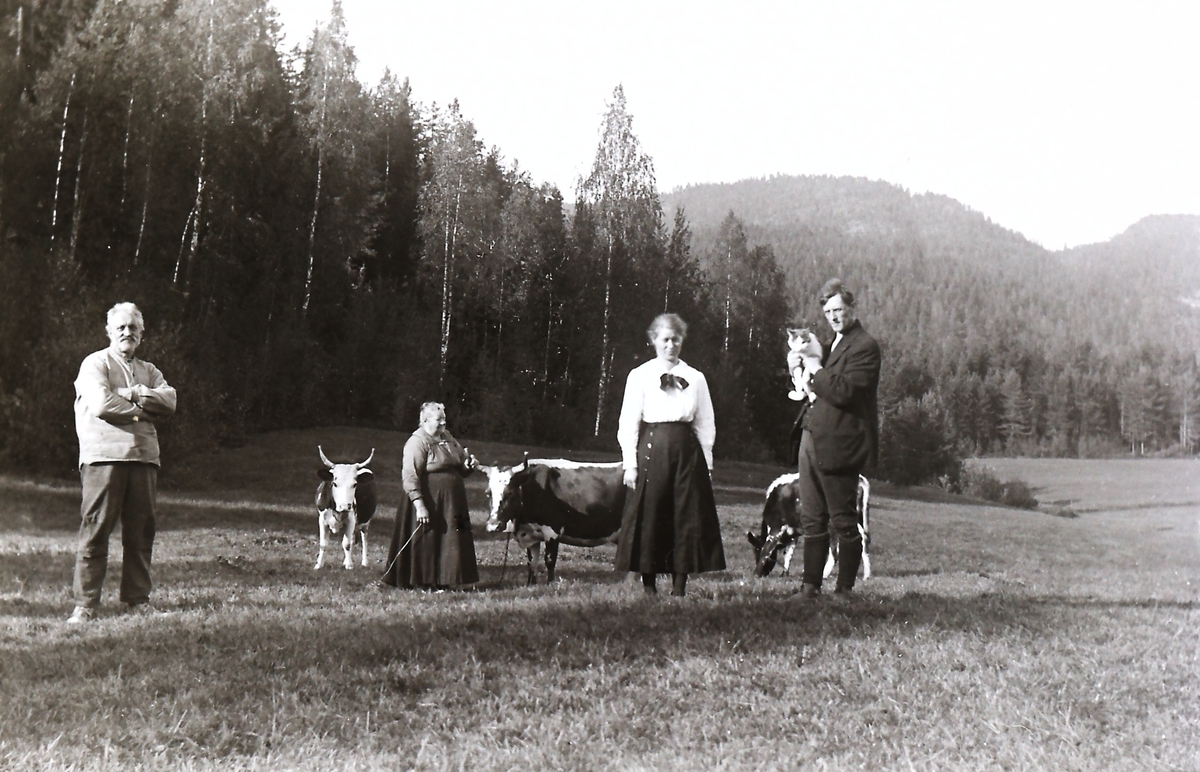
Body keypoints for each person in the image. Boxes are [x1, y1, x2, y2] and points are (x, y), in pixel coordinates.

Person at [68, 302, 177, 623]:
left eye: (133, 328)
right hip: (103, 458)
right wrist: (144, 410)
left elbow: (170, 400)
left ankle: (137, 600)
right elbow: (102, 404)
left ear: (141, 334)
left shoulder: (150, 370)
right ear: (109, 332)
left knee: (141, 532)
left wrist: (132, 392)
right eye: (121, 327)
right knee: (96, 529)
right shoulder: (95, 363)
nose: (127, 332)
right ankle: (85, 605)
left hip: (144, 458)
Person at [614, 313, 725, 597]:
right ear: (653, 341)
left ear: (682, 341)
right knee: (651, 515)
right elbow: (628, 422)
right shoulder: (639, 376)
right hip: (652, 451)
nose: (670, 345)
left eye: (676, 339)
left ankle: (679, 587)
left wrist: (707, 461)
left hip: (687, 455)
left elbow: (705, 422)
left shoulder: (696, 378)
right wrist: (630, 464)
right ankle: (649, 586)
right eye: (665, 339)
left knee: (684, 516)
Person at [788, 279, 881, 598]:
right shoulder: (834, 345)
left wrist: (813, 365)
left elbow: (843, 392)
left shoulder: (865, 346)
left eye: (838, 310)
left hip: (842, 444)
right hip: (812, 438)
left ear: (852, 309)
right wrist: (800, 366)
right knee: (811, 517)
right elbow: (817, 386)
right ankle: (810, 586)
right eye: (828, 311)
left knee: (843, 520)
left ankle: (844, 589)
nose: (833, 316)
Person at [381, 402, 479, 590]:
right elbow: (410, 475)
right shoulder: (416, 442)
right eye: (439, 420)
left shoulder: (448, 437)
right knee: (430, 539)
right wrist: (420, 505)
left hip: (451, 502)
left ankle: (449, 580)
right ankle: (426, 582)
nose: (443, 424)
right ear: (425, 420)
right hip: (431, 500)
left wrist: (468, 465)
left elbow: (459, 464)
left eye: (444, 419)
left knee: (451, 539)